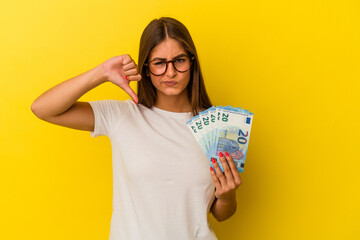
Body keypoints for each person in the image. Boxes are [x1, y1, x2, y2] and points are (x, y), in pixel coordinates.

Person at [31, 17, 242, 240]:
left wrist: (228, 198)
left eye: (179, 60)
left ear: (192, 63)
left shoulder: (218, 127)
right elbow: (43, 109)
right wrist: (102, 72)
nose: (170, 72)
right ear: (146, 69)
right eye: (159, 63)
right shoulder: (121, 116)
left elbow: (219, 214)